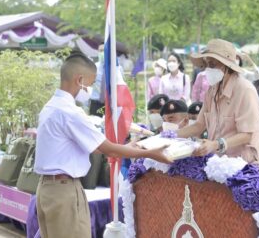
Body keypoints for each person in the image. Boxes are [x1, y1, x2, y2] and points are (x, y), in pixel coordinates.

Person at [34, 52, 171, 238]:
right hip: (64, 191)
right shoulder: (70, 112)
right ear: (79, 79)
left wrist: (128, 147)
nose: (90, 91)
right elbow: (106, 148)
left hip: (48, 190)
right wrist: (149, 153)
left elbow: (95, 146)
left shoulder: (51, 107)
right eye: (90, 85)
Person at [176, 39, 259, 172]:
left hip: (247, 167)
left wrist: (215, 144)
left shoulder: (245, 90)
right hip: (220, 165)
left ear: (226, 66)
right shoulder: (212, 90)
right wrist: (172, 135)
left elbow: (247, 134)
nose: (208, 69)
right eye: (206, 65)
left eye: (212, 64)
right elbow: (199, 125)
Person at [89, 44, 105, 116]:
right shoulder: (93, 67)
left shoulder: (117, 68)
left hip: (110, 104)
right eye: (100, 51)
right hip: (95, 103)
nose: (102, 53)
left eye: (104, 51)